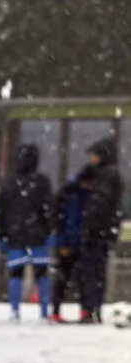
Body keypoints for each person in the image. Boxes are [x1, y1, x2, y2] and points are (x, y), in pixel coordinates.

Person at [0, 143, 56, 322]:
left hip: (14, 236)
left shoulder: (8, 183)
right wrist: (50, 231)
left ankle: (14, 311)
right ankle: (44, 312)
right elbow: (49, 208)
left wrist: (2, 234)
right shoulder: (42, 182)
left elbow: (0, 211)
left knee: (16, 273)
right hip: (38, 235)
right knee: (41, 273)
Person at [77, 138, 123, 324]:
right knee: (95, 270)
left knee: (92, 271)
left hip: (98, 231)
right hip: (102, 230)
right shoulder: (107, 174)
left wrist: (90, 224)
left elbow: (101, 203)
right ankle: (92, 310)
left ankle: (91, 310)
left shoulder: (107, 175)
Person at [52, 174, 88, 323]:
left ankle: (56, 310)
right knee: (80, 278)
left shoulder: (66, 195)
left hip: (66, 242)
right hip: (75, 241)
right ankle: (84, 310)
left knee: (63, 277)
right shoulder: (82, 196)